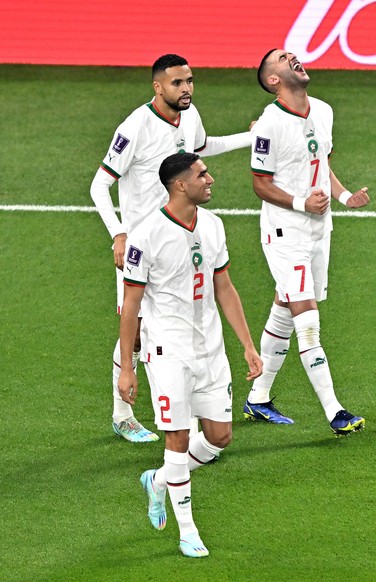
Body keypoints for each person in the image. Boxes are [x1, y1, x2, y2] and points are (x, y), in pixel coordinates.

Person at [92, 53, 252, 443]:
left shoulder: (190, 114)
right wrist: (118, 233)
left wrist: (252, 137)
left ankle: (189, 408)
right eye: (177, 83)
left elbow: (202, 146)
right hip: (141, 246)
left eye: (190, 81)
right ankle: (123, 414)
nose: (186, 89)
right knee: (136, 334)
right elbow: (99, 185)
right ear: (157, 87)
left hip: (180, 239)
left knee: (185, 318)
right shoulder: (136, 126)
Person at [118, 152, 262, 558]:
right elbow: (131, 305)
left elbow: (225, 287)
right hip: (168, 352)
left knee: (220, 436)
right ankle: (187, 530)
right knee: (177, 438)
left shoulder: (214, 226)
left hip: (211, 350)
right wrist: (127, 370)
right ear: (180, 184)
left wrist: (248, 345)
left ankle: (159, 480)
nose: (210, 179)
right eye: (202, 174)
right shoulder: (146, 235)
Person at [242, 48, 369, 436]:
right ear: (274, 81)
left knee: (285, 304)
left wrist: (345, 197)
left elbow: (320, 163)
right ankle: (335, 412)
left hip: (319, 230)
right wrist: (300, 203)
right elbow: (260, 184)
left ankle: (258, 398)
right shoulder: (268, 125)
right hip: (285, 234)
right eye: (283, 58)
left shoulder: (325, 111)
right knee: (307, 320)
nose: (293, 56)